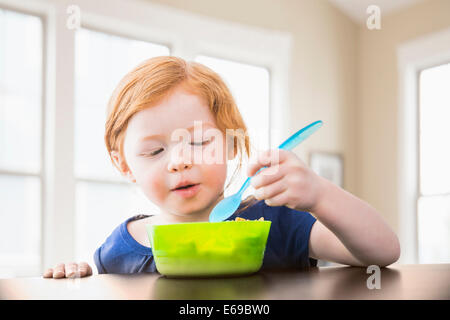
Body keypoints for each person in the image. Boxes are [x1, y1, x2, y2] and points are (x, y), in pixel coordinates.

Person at [43, 56, 400, 279]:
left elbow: (383, 253)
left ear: (231, 144)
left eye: (199, 142)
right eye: (154, 151)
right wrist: (81, 273)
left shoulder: (273, 221)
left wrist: (321, 195)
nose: (180, 160)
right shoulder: (120, 249)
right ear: (124, 165)